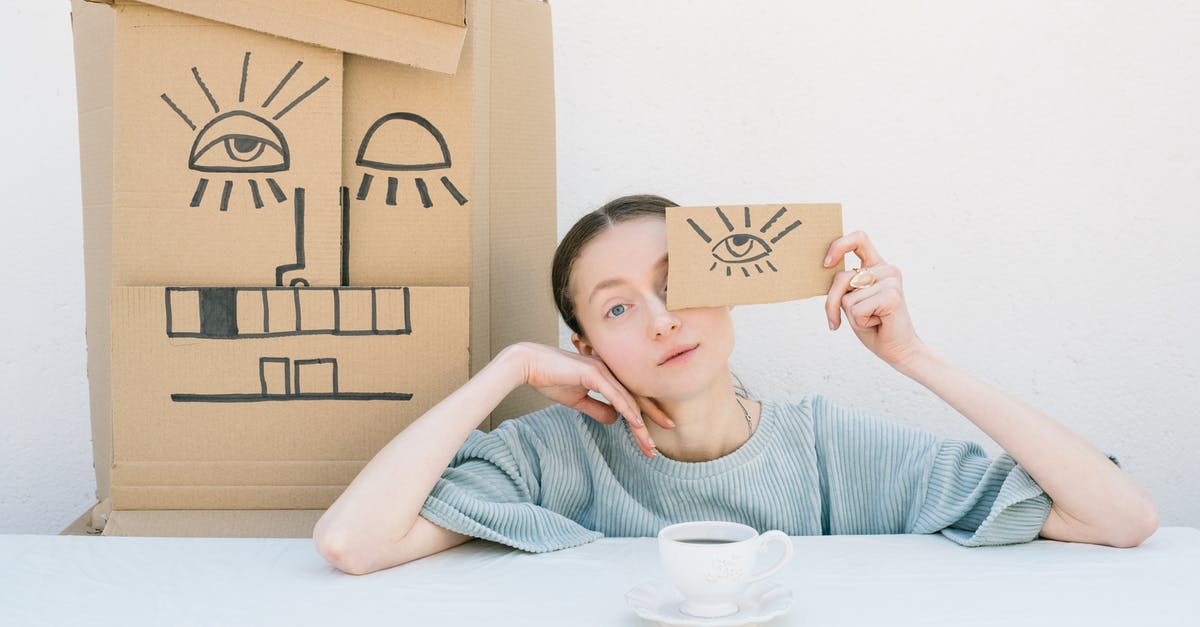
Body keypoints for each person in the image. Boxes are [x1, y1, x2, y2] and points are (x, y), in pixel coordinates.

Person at [313, 194, 1158, 575]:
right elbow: (353, 542)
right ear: (583, 346)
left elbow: (1118, 517)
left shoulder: (828, 448)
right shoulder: (553, 456)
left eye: (679, 281)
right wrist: (506, 370)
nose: (661, 319)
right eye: (618, 308)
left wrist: (912, 356)